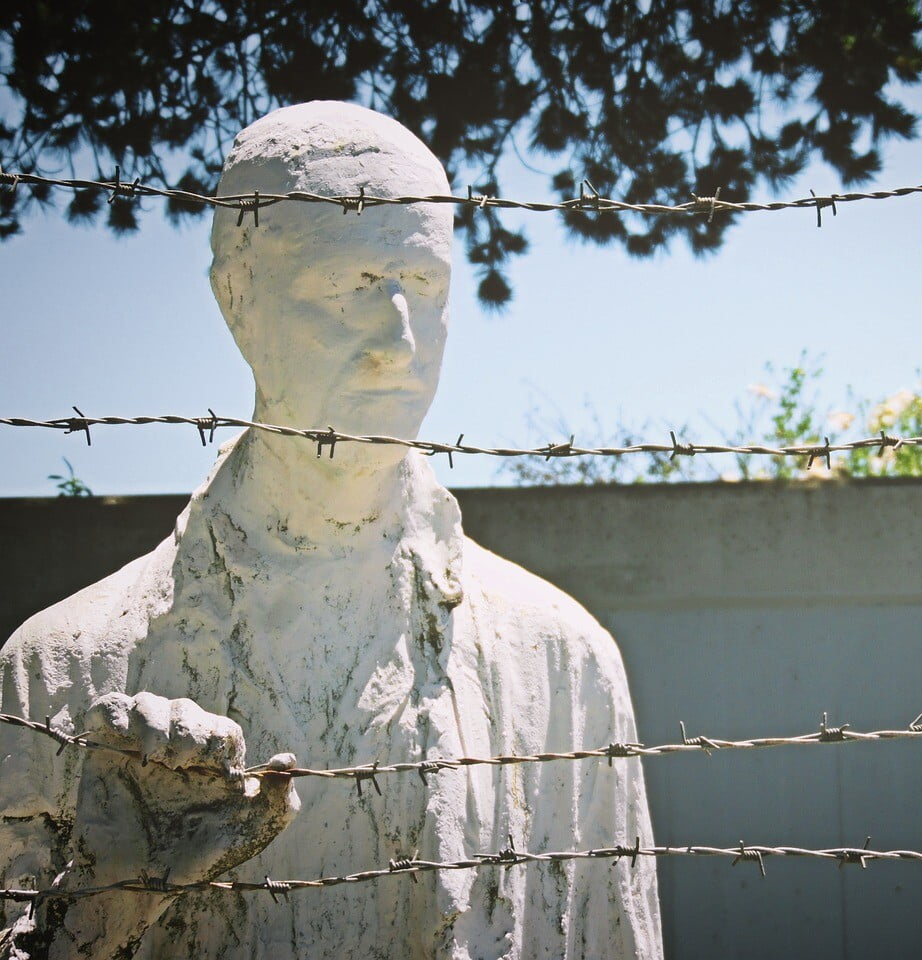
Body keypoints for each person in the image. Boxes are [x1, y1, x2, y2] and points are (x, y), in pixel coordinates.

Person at [0, 101, 663, 960]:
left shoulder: (564, 661)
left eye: (424, 286)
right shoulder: (62, 668)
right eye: (346, 283)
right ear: (235, 296)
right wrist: (103, 912)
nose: (398, 336)